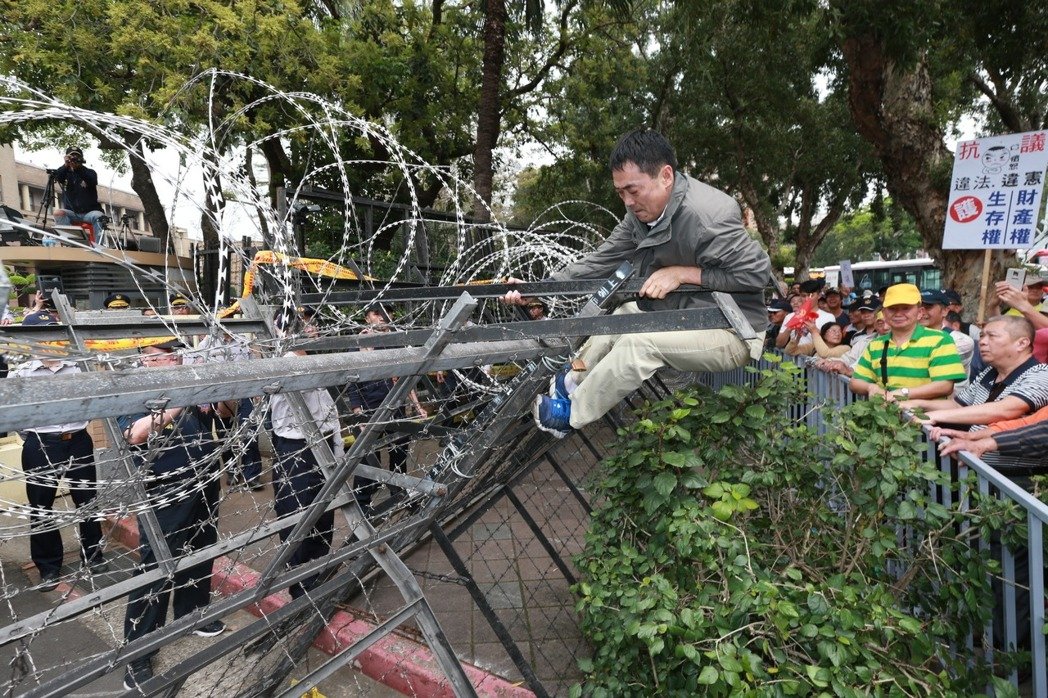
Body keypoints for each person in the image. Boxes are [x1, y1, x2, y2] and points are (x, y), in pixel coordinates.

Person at [505, 128, 771, 435]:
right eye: (621, 193)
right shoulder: (640, 216)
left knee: (639, 342)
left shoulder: (708, 218)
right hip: (688, 315)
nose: (628, 202)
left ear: (666, 176)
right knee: (625, 314)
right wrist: (538, 291)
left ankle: (571, 415)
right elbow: (601, 260)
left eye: (634, 190)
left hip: (734, 330)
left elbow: (756, 274)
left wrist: (682, 273)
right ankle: (571, 380)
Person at [120, 339, 224, 690]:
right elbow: (133, 434)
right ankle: (138, 654)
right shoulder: (133, 388)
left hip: (204, 477)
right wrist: (178, 403)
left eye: (178, 354)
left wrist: (221, 390)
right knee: (156, 565)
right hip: (165, 487)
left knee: (200, 548)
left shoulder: (188, 380)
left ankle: (192, 614)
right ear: (146, 360)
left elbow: (221, 415)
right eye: (168, 356)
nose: (176, 359)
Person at [10, 334, 105, 591]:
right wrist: (33, 435)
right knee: (42, 506)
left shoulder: (78, 367)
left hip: (78, 440)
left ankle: (94, 555)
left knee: (87, 500)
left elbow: (94, 397)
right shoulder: (21, 374)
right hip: (41, 443)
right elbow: (12, 410)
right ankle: (49, 567)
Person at [902, 315, 1048, 478]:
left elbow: (1006, 409)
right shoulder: (989, 372)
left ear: (1022, 343)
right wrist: (915, 404)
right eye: (982, 336)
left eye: (992, 336)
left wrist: (932, 416)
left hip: (1016, 479)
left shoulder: (1040, 374)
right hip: (978, 468)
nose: (983, 342)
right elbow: (958, 405)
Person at [267, 310, 340, 598]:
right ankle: (300, 584)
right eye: (311, 325)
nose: (317, 329)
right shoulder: (287, 365)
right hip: (296, 448)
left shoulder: (309, 360)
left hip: (319, 443)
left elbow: (327, 411)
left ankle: (316, 572)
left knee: (322, 512)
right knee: (298, 513)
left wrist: (336, 448)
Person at [349, 308, 428, 513]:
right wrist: (358, 414)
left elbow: (405, 379)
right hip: (369, 410)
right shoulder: (357, 345)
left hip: (395, 408)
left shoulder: (394, 343)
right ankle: (362, 502)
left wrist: (417, 406)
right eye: (376, 314)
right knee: (368, 456)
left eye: (387, 313)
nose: (382, 317)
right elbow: (352, 383)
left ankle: (400, 495)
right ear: (366, 318)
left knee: (399, 454)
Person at [849, 283, 966, 400]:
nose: (898, 313)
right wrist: (870, 387)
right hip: (885, 416)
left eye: (906, 308)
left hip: (924, 417)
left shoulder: (940, 340)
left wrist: (902, 393)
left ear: (920, 312)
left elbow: (945, 386)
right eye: (892, 309)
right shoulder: (875, 345)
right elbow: (855, 382)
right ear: (884, 313)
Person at [185, 327, 264, 490]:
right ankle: (232, 471)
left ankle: (252, 475)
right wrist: (205, 401)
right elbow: (199, 372)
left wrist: (257, 390)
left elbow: (254, 367)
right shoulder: (206, 344)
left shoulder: (243, 342)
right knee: (224, 435)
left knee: (249, 432)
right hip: (218, 395)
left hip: (244, 393)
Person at [51, 147, 106, 245]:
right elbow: (57, 177)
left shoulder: (89, 172)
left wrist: (78, 168)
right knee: (58, 212)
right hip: (72, 213)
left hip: (90, 213)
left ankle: (99, 246)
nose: (74, 158)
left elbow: (92, 180)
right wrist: (66, 165)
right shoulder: (64, 172)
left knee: (99, 217)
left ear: (82, 158)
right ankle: (70, 244)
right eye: (72, 156)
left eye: (77, 156)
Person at [920, 289, 975, 383]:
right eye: (917, 307)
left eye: (928, 306)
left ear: (945, 311)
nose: (921, 312)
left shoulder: (961, 341)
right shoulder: (905, 337)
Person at [775, 279, 837, 350]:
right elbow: (779, 344)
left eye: (811, 296)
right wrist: (790, 326)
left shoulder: (828, 317)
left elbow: (831, 343)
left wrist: (814, 330)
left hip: (817, 358)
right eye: (803, 296)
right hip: (794, 358)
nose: (807, 299)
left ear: (819, 295)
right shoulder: (790, 316)